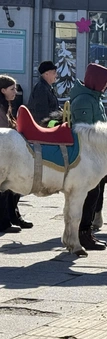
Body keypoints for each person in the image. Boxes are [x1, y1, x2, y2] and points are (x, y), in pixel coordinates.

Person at [70, 63, 107, 251]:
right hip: (85, 157)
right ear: (96, 81)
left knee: (94, 193)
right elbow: (84, 131)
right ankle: (82, 234)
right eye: (106, 82)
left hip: (95, 155)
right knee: (90, 194)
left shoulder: (94, 98)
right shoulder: (83, 100)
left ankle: (86, 232)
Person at [0, 75, 32, 233]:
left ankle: (11, 217)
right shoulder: (0, 107)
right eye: (12, 89)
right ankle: (5, 221)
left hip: (6, 153)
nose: (16, 92)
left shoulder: (5, 105)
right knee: (6, 187)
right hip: (4, 154)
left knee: (10, 187)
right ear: (3, 90)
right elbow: (4, 132)